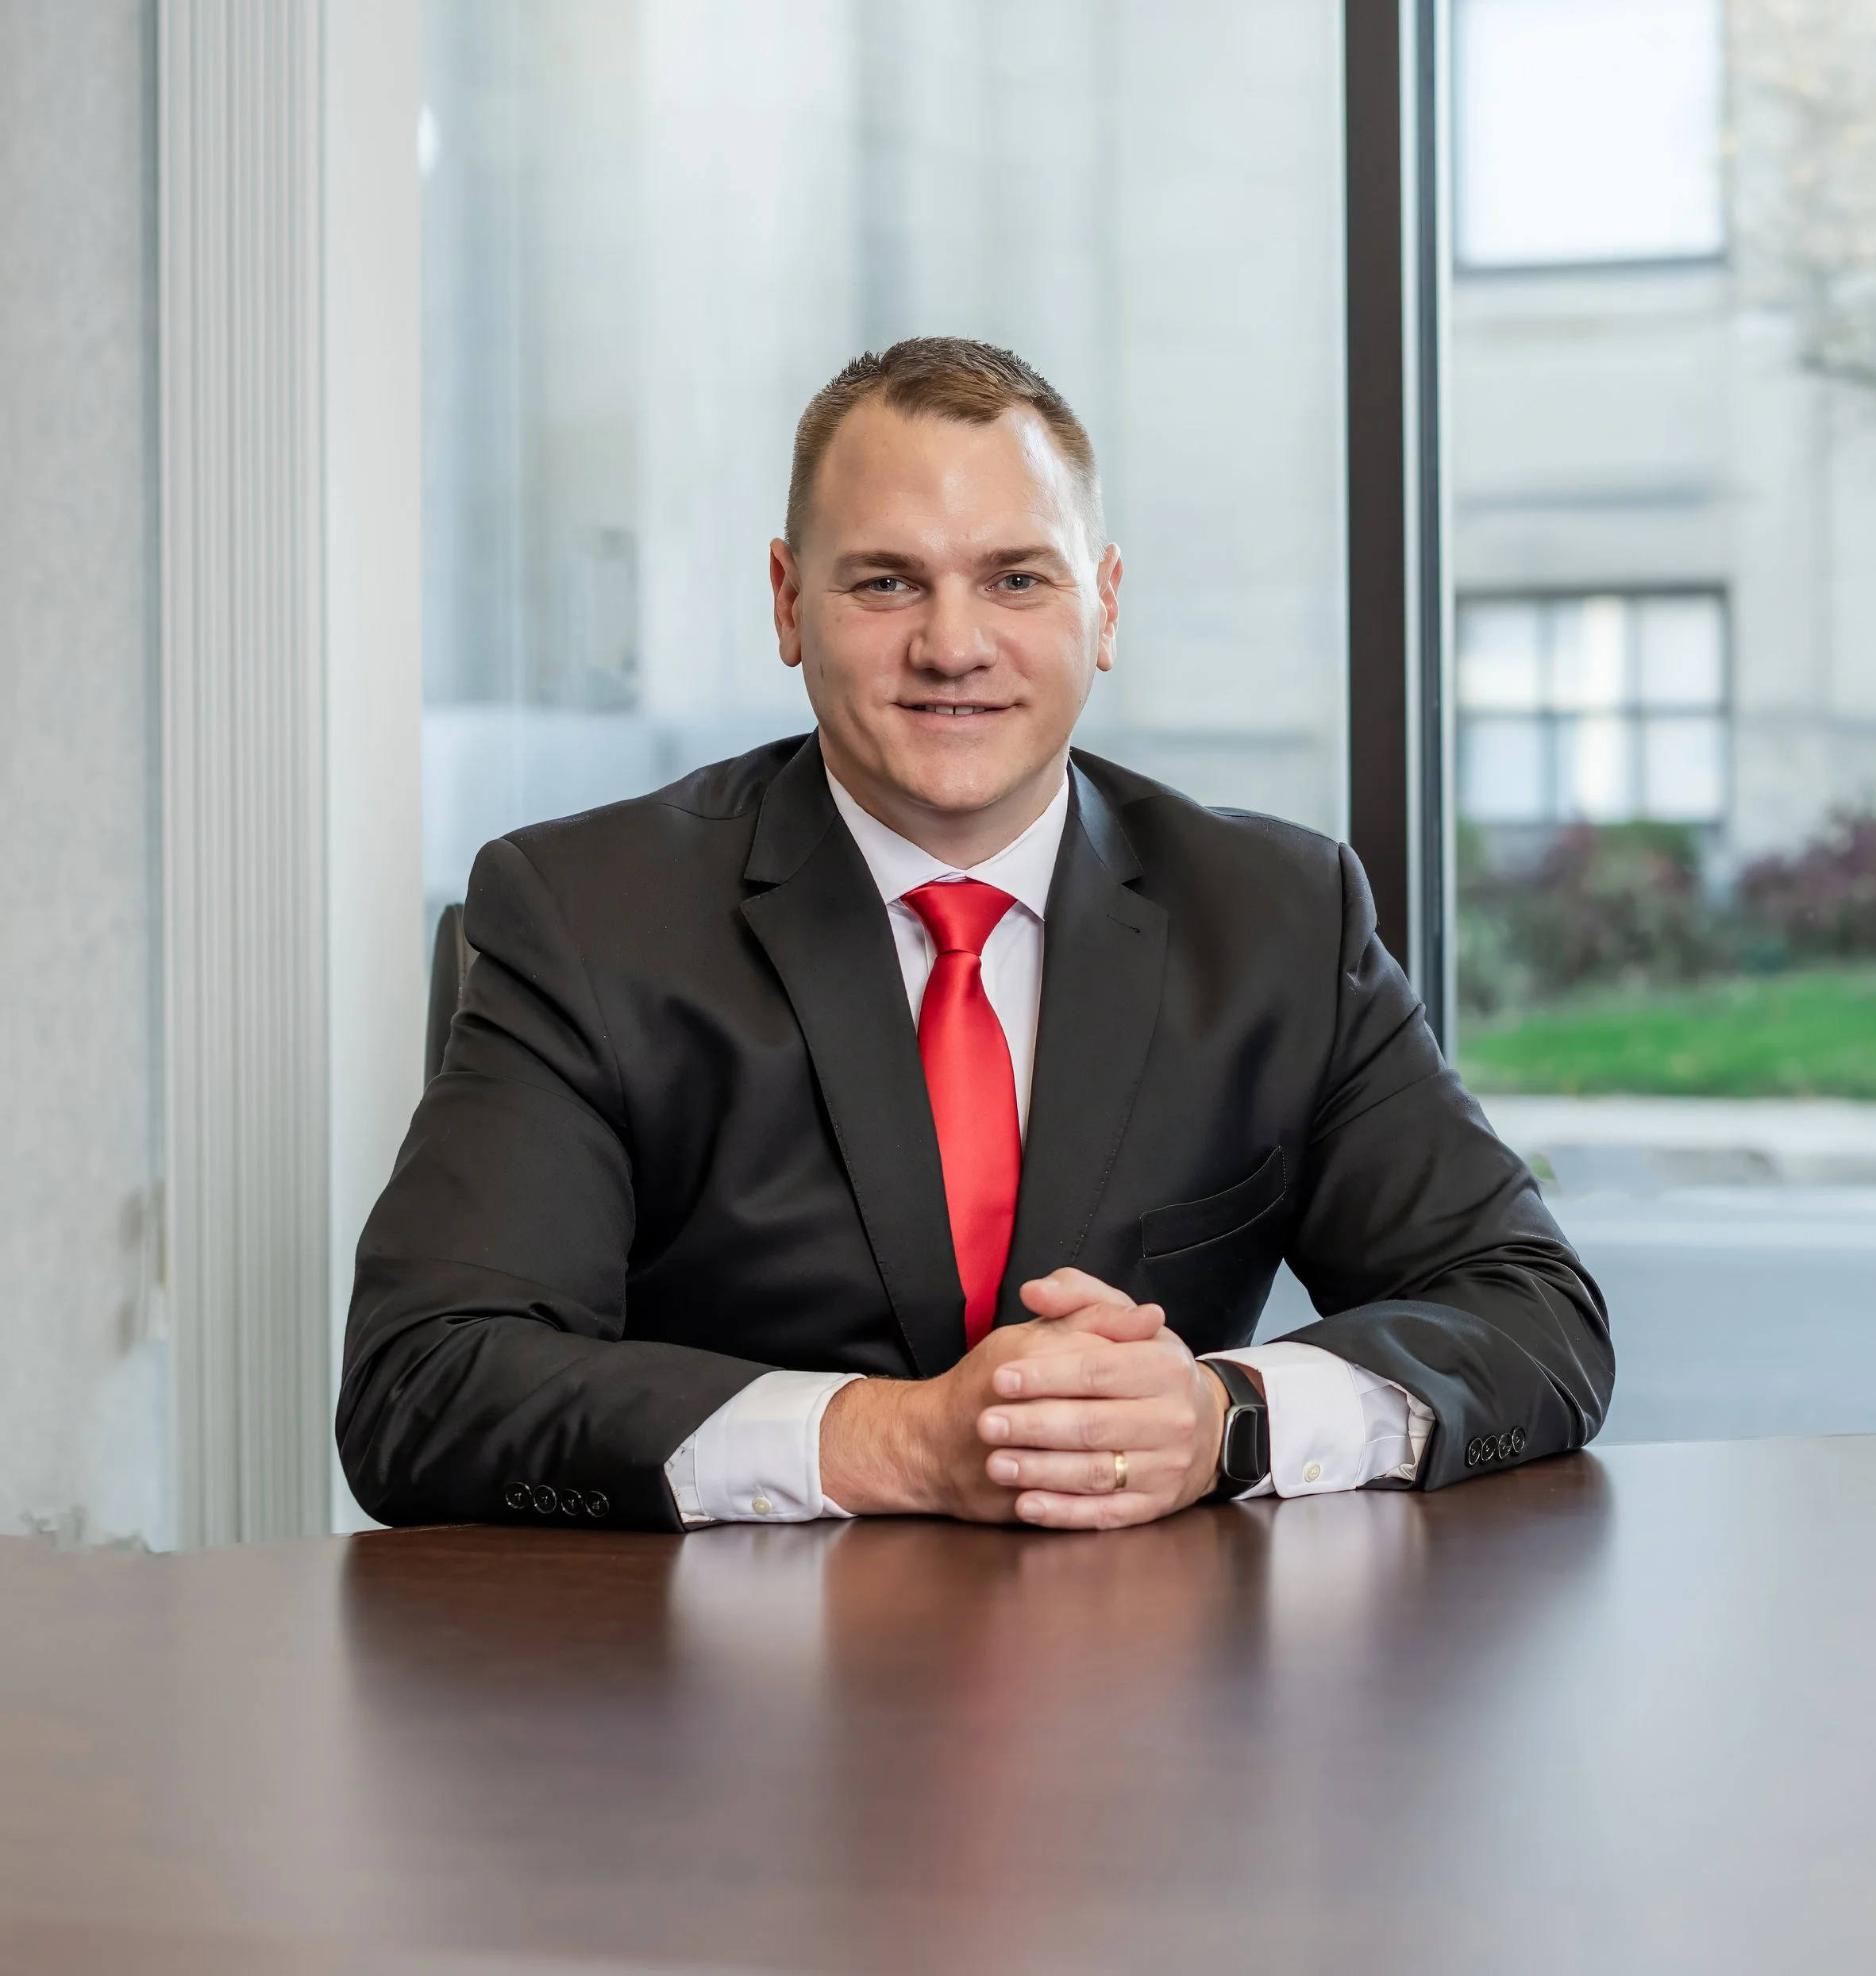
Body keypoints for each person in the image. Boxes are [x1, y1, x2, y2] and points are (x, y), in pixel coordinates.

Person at [338, 337, 1610, 1535]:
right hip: (720, 1713)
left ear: (1102, 607)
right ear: (789, 604)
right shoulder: (586, 916)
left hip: (1157, 1710)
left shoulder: (1277, 915)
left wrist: (1227, 1418)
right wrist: (895, 1439)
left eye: (1016, 578)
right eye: (887, 582)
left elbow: (1532, 1315)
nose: (953, 646)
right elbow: (428, 1384)